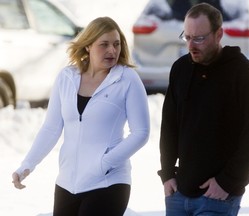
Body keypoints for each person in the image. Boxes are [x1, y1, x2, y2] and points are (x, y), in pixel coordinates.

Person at [12, 16, 150, 216]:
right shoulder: (66, 77)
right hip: (68, 182)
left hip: (108, 182)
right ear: (88, 46)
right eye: (104, 44)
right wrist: (27, 165)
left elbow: (141, 133)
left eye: (116, 44)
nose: (112, 50)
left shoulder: (127, 79)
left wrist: (104, 164)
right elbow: (51, 128)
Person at [157, 3, 249, 216]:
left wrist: (228, 182)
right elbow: (169, 125)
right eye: (187, 37)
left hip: (218, 197)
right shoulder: (180, 69)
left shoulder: (243, 73)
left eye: (199, 38)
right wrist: (167, 173)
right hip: (179, 192)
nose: (192, 45)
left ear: (219, 34)